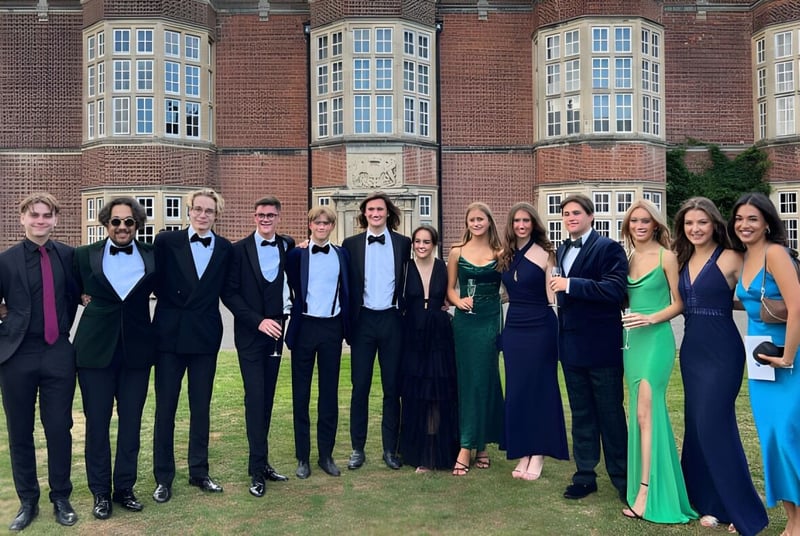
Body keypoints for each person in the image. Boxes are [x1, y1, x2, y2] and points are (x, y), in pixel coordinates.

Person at [674, 197, 768, 535]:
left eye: (701, 222)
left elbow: (763, 290)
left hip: (723, 352)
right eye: (689, 223)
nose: (695, 229)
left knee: (716, 427)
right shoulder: (682, 257)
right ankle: (707, 502)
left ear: (714, 224)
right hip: (691, 351)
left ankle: (743, 511)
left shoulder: (732, 257)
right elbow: (677, 303)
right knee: (696, 428)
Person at [72, 197, 157, 520]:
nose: (122, 227)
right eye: (116, 221)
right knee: (97, 425)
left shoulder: (152, 255)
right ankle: (100, 493)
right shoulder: (82, 256)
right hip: (94, 353)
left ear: (138, 225)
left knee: (131, 424)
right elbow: (70, 293)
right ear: (105, 223)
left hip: (137, 352)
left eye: (129, 222)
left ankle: (124, 488)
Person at [0, 193, 80, 531]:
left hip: (58, 351)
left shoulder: (68, 256)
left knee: (60, 428)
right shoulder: (6, 261)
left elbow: (75, 297)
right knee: (20, 431)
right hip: (17, 354)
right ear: (23, 219)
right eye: (34, 215)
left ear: (56, 219)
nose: (41, 221)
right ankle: (27, 501)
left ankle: (61, 497)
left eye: (47, 215)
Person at [151, 189, 233, 503]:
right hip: (169, 338)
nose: (202, 215)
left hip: (204, 337)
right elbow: (147, 277)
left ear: (216, 215)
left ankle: (199, 472)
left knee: (201, 409)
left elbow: (234, 287)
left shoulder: (225, 248)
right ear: (189, 211)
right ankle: (163, 477)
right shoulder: (166, 242)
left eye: (209, 211)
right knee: (166, 409)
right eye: (198, 209)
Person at [618, 199, 696, 523]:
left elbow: (679, 303)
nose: (639, 225)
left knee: (645, 410)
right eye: (634, 221)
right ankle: (644, 484)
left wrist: (650, 318)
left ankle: (647, 492)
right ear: (628, 226)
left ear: (655, 225)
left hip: (657, 340)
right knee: (639, 414)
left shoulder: (668, 256)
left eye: (645, 221)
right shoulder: (629, 256)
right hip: (631, 344)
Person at [730, 192, 800, 536]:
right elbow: (749, 302)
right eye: (740, 219)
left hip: (788, 356)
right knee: (771, 438)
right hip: (758, 359)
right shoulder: (744, 257)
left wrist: (788, 355)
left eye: (752, 219)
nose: (744, 225)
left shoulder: (775, 253)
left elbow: (797, 305)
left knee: (788, 436)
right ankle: (793, 518)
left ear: (768, 222)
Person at [550, 193, 627, 500]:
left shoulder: (608, 248)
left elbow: (614, 289)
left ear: (591, 216)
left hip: (601, 347)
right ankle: (584, 476)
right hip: (570, 346)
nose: (571, 218)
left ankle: (623, 479)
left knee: (610, 414)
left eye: (576, 213)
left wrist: (571, 285)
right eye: (566, 213)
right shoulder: (562, 249)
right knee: (581, 414)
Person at [222, 196, 294, 497]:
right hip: (252, 333)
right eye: (261, 215)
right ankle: (255, 471)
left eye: (271, 215)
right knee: (255, 397)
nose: (266, 219)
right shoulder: (238, 250)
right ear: (254, 217)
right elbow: (230, 294)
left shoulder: (288, 245)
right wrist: (257, 321)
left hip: (278, 329)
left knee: (267, 399)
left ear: (278, 217)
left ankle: (263, 462)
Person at [341, 192, 411, 471]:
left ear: (388, 212)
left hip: (393, 321)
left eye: (380, 209)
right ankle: (357, 449)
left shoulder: (403, 244)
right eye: (370, 209)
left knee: (392, 389)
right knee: (360, 387)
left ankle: (390, 450)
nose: (375, 213)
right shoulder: (351, 244)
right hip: (363, 322)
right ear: (364, 214)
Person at [498, 203, 568, 481]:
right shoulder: (504, 254)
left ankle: (538, 453)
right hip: (514, 326)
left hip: (540, 325)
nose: (521, 225)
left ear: (533, 223)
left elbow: (553, 296)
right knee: (517, 390)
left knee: (540, 388)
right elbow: (504, 291)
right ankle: (523, 451)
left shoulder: (546, 254)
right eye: (517, 221)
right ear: (511, 224)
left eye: (526, 220)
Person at [285, 206, 350, 479]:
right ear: (310, 225)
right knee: (301, 396)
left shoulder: (341, 255)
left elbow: (350, 289)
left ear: (332, 226)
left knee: (329, 394)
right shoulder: (296, 254)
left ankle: (326, 454)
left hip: (332, 329)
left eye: (326, 223)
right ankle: (303, 457)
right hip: (305, 327)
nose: (322, 227)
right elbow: (282, 277)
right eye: (317, 223)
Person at [446, 202, 504, 476]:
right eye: (472, 219)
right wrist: (460, 302)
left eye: (481, 219)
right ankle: (468, 445)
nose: (477, 223)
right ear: (467, 223)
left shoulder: (501, 252)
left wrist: (495, 299)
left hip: (490, 320)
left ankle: (480, 443)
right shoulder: (456, 251)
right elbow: (450, 290)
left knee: (487, 379)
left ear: (490, 222)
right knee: (468, 380)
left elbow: (512, 286)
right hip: (466, 323)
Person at [398, 225, 459, 473]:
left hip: (439, 335)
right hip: (412, 334)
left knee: (437, 393)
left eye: (426, 242)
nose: (421, 246)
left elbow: (453, 292)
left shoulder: (444, 267)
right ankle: (418, 452)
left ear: (434, 244)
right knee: (415, 394)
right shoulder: (405, 268)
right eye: (417, 242)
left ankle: (439, 452)